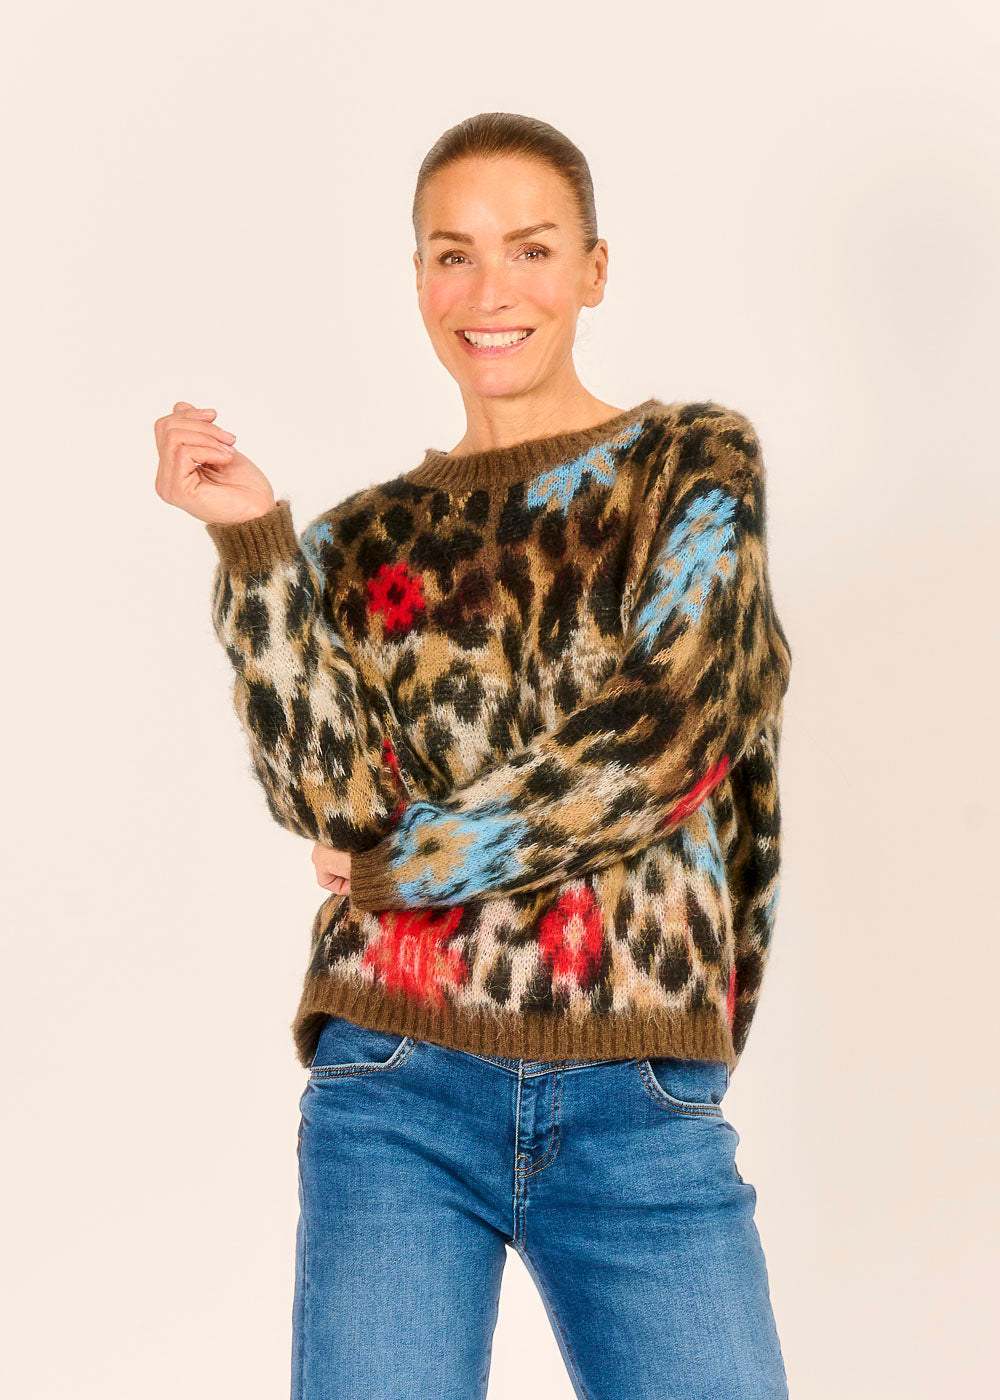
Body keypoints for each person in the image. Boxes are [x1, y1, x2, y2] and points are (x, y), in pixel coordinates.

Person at [155, 111, 792, 1400]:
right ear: (418, 280)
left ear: (594, 271)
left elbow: (664, 737)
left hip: (637, 1089)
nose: (490, 291)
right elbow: (331, 802)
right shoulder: (356, 541)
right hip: (398, 1078)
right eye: (454, 255)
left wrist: (416, 860)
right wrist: (255, 543)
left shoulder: (690, 463)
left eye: (531, 249)